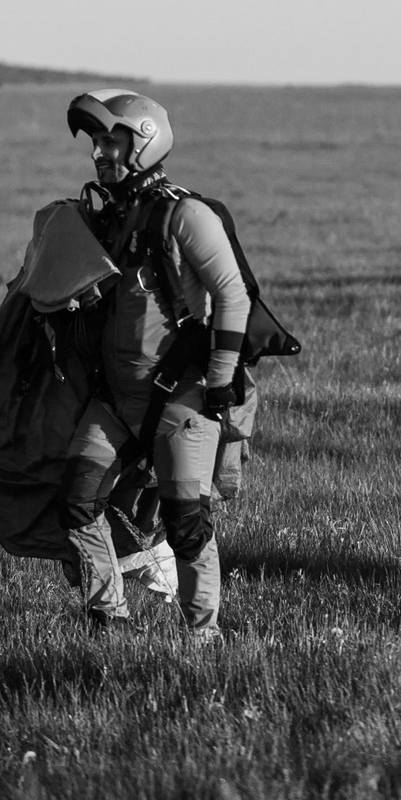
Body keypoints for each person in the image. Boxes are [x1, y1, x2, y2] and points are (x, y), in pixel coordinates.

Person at [62, 90, 259, 641]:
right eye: (96, 141)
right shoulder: (111, 217)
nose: (98, 152)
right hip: (114, 399)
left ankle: (202, 636)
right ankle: (109, 621)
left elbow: (233, 295)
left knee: (186, 521)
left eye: (110, 140)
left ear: (144, 142)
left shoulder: (185, 214)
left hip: (181, 396)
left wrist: (219, 379)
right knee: (77, 501)